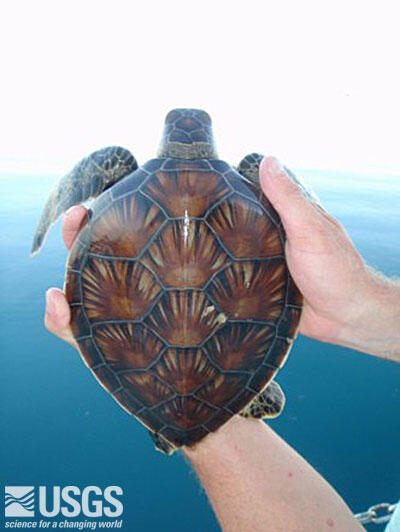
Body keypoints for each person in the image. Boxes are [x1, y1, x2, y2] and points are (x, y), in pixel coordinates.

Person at [44, 156, 400, 531]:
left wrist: (174, 408)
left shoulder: (124, 172)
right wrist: (357, 301)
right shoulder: (250, 177)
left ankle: (224, 405)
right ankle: (240, 397)